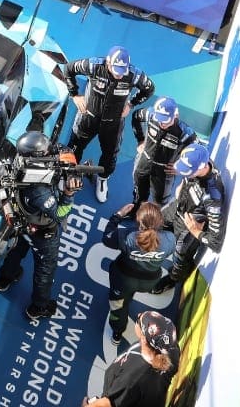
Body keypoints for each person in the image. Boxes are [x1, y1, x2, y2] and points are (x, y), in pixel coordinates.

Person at [0, 131, 76, 320]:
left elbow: (55, 150)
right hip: (43, 233)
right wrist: (69, 194)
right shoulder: (40, 192)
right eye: (45, 151)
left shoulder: (18, 161)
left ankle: (6, 277)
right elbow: (59, 213)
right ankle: (38, 307)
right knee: (44, 270)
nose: (50, 151)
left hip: (22, 224)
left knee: (16, 250)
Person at [62, 47, 156, 204]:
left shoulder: (134, 75)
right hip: (88, 117)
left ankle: (102, 179)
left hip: (113, 123)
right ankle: (70, 174)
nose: (119, 74)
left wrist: (131, 104)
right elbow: (68, 68)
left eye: (122, 70)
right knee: (75, 146)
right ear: (108, 62)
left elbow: (149, 89)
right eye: (115, 69)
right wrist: (74, 95)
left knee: (110, 155)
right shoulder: (93, 65)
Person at [158, 142, 225, 292]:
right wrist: (181, 189)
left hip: (187, 227)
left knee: (180, 257)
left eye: (187, 171)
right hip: (177, 206)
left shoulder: (213, 195)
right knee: (155, 219)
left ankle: (172, 280)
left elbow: (216, 242)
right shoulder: (200, 157)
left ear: (201, 168)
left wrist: (195, 231)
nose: (183, 173)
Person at [103, 203, 176, 341]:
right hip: (148, 283)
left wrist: (118, 215)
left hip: (122, 281)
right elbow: (170, 250)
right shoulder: (169, 239)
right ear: (160, 221)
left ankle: (117, 333)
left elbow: (106, 238)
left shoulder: (128, 236)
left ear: (138, 220)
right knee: (127, 295)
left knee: (117, 307)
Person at [83, 311, 179, 406]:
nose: (138, 314)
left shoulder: (132, 379)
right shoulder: (171, 350)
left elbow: (108, 404)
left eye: (139, 320)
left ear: (144, 338)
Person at [129, 96, 196, 205]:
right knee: (139, 192)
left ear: (175, 116)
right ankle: (136, 210)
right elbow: (136, 116)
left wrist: (180, 167)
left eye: (165, 120)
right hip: (143, 161)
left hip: (164, 172)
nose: (162, 124)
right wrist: (140, 140)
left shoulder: (185, 133)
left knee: (160, 201)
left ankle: (155, 219)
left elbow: (198, 154)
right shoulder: (150, 114)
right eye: (159, 119)